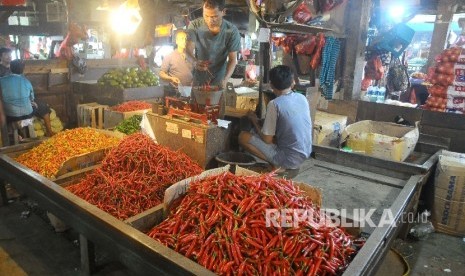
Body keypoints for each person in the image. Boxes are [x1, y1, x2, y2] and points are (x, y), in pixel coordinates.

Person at [239, 65, 312, 174]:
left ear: (271, 85)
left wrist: (254, 120)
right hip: (305, 153)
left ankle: (277, 164)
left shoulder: (275, 104)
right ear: (292, 82)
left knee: (243, 137)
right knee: (263, 132)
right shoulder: (302, 98)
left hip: (288, 159)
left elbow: (267, 140)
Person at [186, 0, 241, 88]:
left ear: (223, 12)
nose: (209, 20)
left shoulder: (232, 31)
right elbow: (188, 50)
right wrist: (195, 62)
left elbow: (233, 59)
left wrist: (225, 80)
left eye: (214, 16)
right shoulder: (194, 26)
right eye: (206, 15)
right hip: (198, 81)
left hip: (220, 80)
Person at [0, 59, 55, 139]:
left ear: (10, 68)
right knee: (43, 106)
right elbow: (31, 98)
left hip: (10, 115)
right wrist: (31, 102)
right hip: (28, 114)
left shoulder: (2, 80)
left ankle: (14, 137)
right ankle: (49, 131)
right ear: (23, 70)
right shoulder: (26, 81)